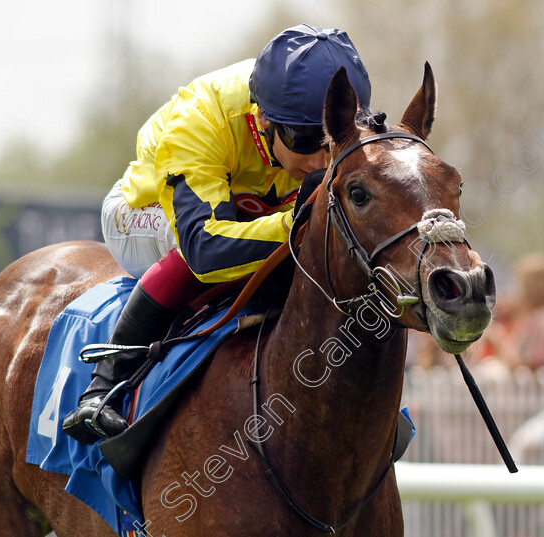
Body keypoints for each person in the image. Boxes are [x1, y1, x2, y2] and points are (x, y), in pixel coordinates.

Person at [62, 24, 372, 443]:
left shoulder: (334, 111)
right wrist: (299, 223)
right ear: (263, 118)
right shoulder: (199, 119)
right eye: (304, 139)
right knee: (208, 253)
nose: (321, 158)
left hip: (253, 209)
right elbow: (205, 250)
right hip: (144, 212)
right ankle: (101, 390)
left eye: (331, 139)